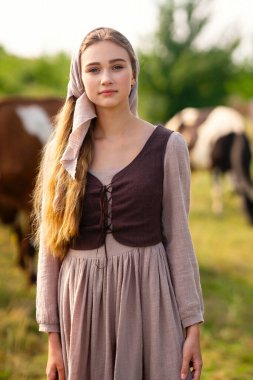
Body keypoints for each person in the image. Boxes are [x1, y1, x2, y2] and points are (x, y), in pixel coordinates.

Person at [33, 27, 204, 380]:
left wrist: (192, 325)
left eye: (117, 66)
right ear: (80, 79)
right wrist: (53, 339)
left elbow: (179, 239)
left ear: (133, 74)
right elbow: (50, 250)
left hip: (148, 297)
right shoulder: (63, 152)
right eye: (93, 69)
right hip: (79, 304)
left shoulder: (168, 146)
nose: (106, 78)